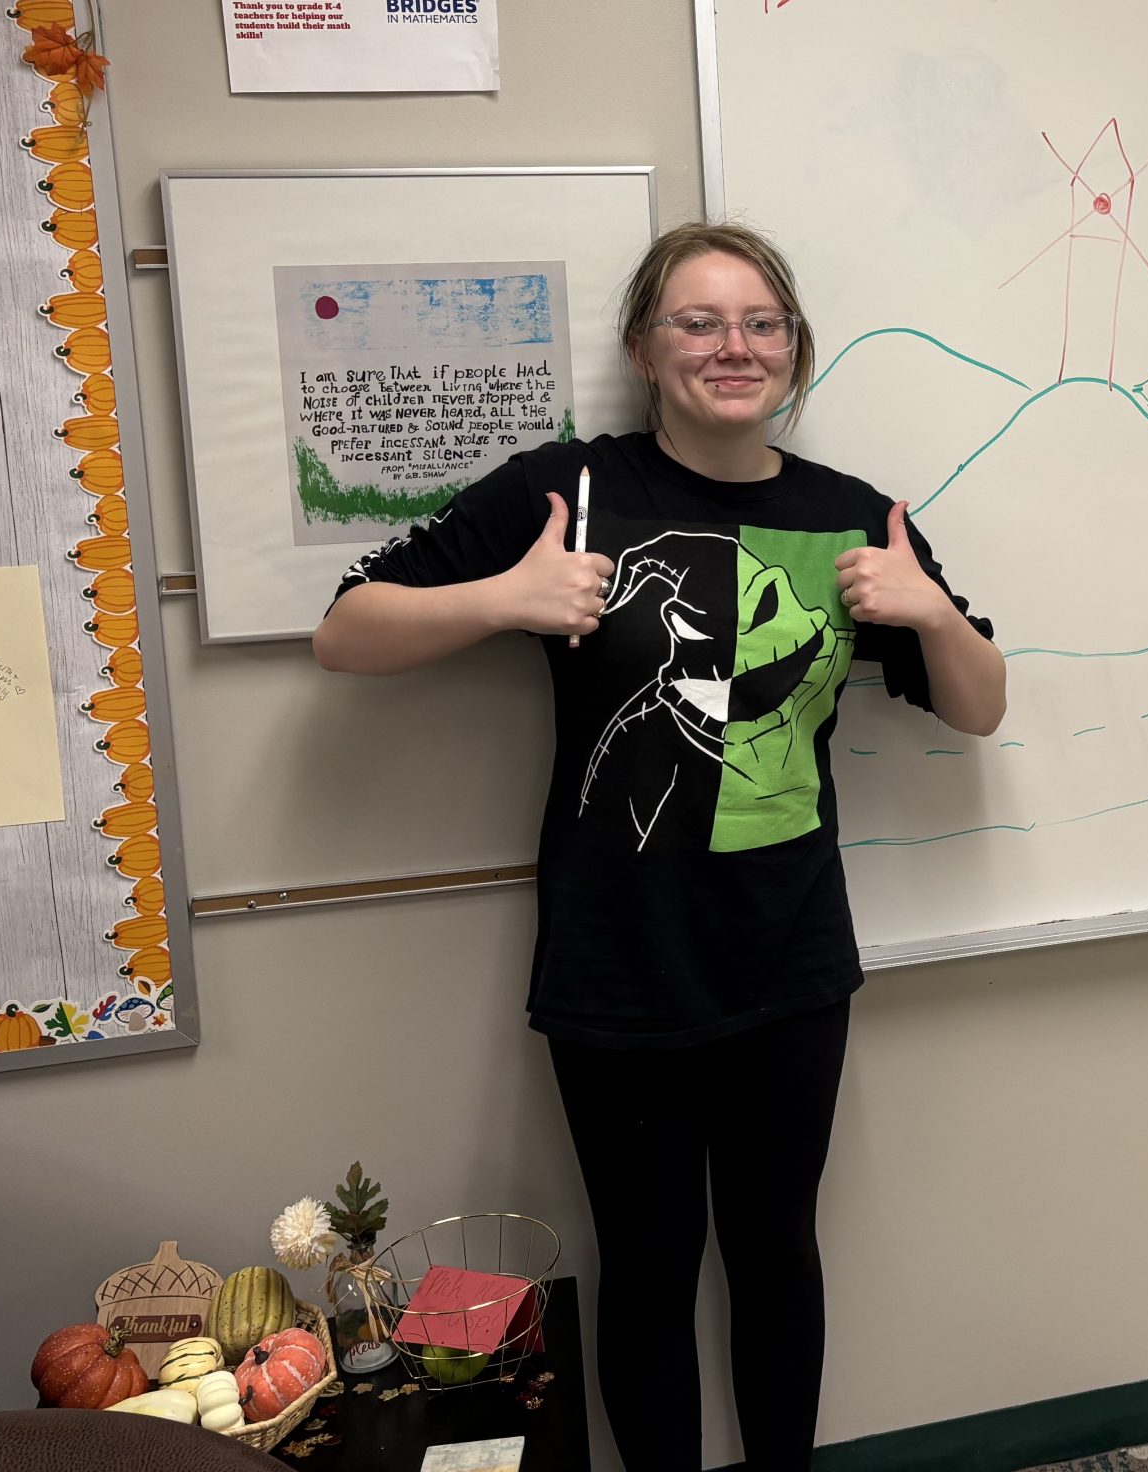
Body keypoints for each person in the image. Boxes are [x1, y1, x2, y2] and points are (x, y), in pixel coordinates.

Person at [313, 221, 1005, 1471]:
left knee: (778, 1254)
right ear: (645, 347)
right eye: (698, 321)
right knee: (648, 1265)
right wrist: (502, 600)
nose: (734, 346)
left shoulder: (852, 516)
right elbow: (346, 631)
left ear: (794, 349)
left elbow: (981, 706)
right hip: (619, 959)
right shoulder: (571, 492)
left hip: (789, 957)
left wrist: (934, 617)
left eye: (762, 323)